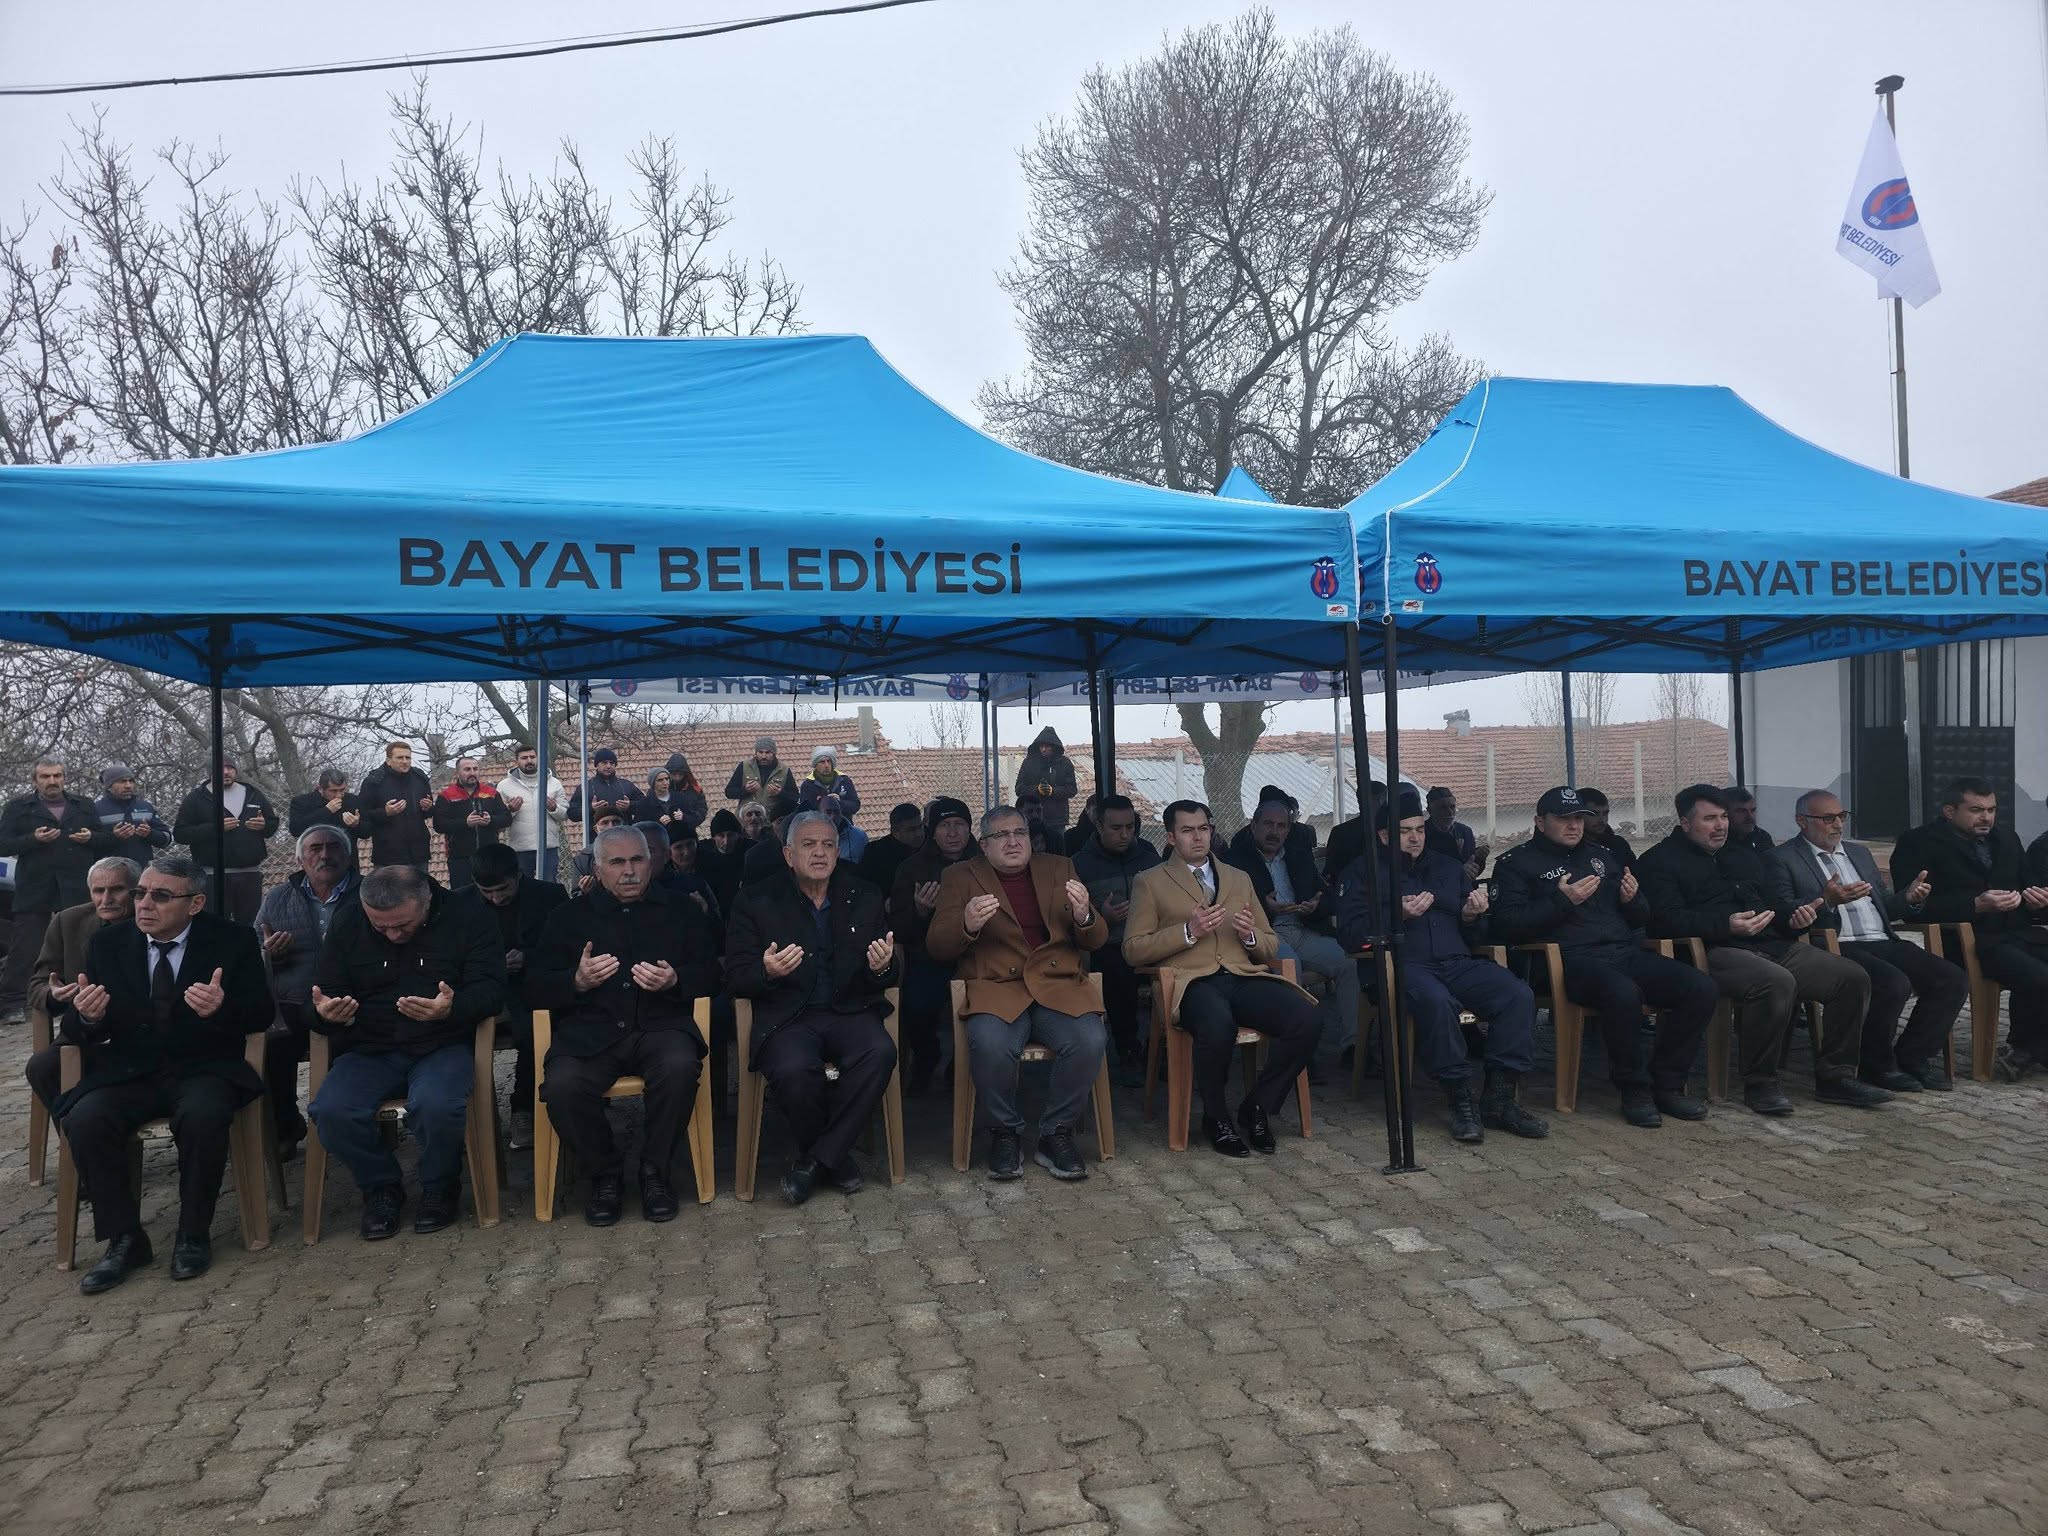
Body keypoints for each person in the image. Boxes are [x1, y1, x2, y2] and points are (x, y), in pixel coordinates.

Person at [56, 854, 270, 1292]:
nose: (144, 904)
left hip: (205, 1067)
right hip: (132, 1071)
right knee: (85, 1118)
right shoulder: (108, 944)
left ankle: (193, 1234)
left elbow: (261, 1015)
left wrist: (222, 1009)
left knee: (203, 1116)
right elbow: (79, 1028)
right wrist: (88, 1017)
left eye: (160, 896)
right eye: (140, 893)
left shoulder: (232, 940)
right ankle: (125, 1239)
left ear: (195, 903)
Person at [1637, 784, 1886, 1115]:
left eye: (1724, 817)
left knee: (1851, 977)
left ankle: (1836, 1076)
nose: (1721, 826)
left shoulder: (1742, 855)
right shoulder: (1659, 861)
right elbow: (1664, 921)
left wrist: (1797, 917)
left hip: (1770, 942)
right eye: (1710, 819)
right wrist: (1726, 924)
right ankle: (1761, 1082)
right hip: (1711, 950)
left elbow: (1773, 906)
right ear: (1685, 823)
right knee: (1774, 981)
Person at [527, 826, 721, 1224]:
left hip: (660, 1026)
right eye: (617, 862)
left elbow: (714, 975)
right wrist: (576, 981)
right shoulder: (567, 918)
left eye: (637, 860)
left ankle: (655, 1171)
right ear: (598, 870)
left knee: (679, 1067)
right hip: (591, 1033)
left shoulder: (682, 910)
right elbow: (534, 986)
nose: (629, 871)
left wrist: (676, 980)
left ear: (651, 863)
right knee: (562, 1086)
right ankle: (604, 1175)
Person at [1491, 787, 1716, 1127]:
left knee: (1700, 987)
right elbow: (1506, 926)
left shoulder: (1603, 856)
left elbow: (1641, 918)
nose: (1574, 826)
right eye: (1563, 819)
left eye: (1579, 818)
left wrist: (1633, 900)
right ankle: (1634, 1089)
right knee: (1622, 992)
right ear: (1539, 822)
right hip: (1565, 962)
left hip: (1621, 952)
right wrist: (1562, 902)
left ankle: (1667, 1084)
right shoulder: (1516, 864)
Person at [1335, 796, 1547, 1144]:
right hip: (1401, 965)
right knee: (1436, 1000)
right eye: (1404, 831)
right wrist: (1396, 917)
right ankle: (1460, 1097)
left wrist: (1472, 916)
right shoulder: (1363, 872)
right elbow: (1348, 936)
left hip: (1456, 962)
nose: (1414, 838)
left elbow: (1477, 935)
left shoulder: (1448, 867)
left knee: (1517, 994)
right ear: (1384, 836)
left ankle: (1499, 1097)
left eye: (1420, 830)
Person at [308, 865, 505, 1239]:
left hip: (442, 1043)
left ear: (427, 899)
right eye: (380, 928)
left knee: (437, 1106)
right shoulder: (348, 920)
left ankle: (439, 1186)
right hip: (370, 1049)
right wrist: (326, 1013)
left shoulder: (469, 916)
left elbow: (493, 991)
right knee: (331, 1112)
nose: (393, 935)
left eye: (402, 925)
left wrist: (452, 1008)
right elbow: (323, 991)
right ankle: (381, 1188)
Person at [1122, 800, 1319, 1158]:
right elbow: (1133, 950)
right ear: (1170, 837)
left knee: (1306, 1017)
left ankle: (1257, 1106)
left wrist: (1250, 936)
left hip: (1241, 975)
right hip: (1190, 981)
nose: (1198, 837)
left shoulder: (1238, 877)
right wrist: (1187, 931)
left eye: (1204, 828)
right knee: (1217, 1024)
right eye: (1187, 830)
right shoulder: (1150, 881)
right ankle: (1216, 1118)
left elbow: (1270, 942)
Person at [726, 810, 899, 1205]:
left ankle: (817, 1161)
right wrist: (766, 971)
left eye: (828, 845)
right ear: (789, 855)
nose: (819, 853)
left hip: (849, 1010)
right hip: (788, 1015)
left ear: (838, 853)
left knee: (880, 1052)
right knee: (793, 1070)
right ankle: (835, 1159)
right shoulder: (756, 900)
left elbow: (890, 971)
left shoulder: (864, 894)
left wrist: (882, 967)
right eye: (808, 845)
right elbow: (735, 976)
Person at [927, 805, 1108, 1180]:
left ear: (1030, 837)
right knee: (990, 1044)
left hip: (1057, 985)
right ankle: (1004, 1132)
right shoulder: (959, 876)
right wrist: (966, 925)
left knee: (1090, 1039)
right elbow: (937, 947)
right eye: (1001, 835)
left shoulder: (1060, 867)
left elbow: (1097, 939)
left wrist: (1084, 917)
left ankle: (1055, 1133)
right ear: (983, 845)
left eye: (1020, 833)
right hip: (996, 987)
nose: (1012, 842)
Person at [1772, 790, 1964, 1093]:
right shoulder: (1783, 858)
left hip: (1882, 939)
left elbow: (1885, 904)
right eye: (1828, 818)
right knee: (1893, 983)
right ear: (1801, 821)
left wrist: (1908, 898)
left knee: (1951, 978)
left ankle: (1912, 1056)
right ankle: (1876, 1065)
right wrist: (1826, 900)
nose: (1838, 824)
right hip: (1835, 943)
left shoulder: (1858, 853)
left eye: (1842, 816)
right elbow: (1784, 911)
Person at [1894, 778, 2048, 1081]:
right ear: (1950, 811)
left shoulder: (2007, 839)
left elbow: (2028, 886)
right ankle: (2025, 1049)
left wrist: (2037, 900)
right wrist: (1974, 904)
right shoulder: (1918, 842)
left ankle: (2027, 1049)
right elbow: (1910, 904)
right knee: (2040, 978)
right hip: (1968, 941)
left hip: (2018, 933)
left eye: (1991, 810)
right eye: (1976, 810)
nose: (1986, 817)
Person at [446, 842, 567, 1151]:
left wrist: (528, 957)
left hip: (533, 986)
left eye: (503, 889)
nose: (496, 898)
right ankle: (461, 1118)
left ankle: (523, 1109)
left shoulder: (549, 895)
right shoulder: (459, 903)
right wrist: (491, 965)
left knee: (535, 1030)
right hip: (482, 988)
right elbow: (451, 957)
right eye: (487, 892)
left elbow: (564, 949)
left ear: (518, 875)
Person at [1226, 797, 1359, 1075]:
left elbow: (1327, 897)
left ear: (1289, 829)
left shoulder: (1299, 855)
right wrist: (1266, 908)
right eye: (1268, 824)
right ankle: (1296, 1051)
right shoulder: (1235, 861)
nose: (1274, 832)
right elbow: (1229, 910)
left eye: (1281, 826)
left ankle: (1354, 1048)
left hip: (1303, 929)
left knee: (1350, 963)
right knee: (1289, 967)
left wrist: (1315, 905)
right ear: (1253, 826)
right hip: (1266, 933)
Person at [253, 827, 362, 1158]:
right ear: (300, 860)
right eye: (315, 849)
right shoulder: (277, 898)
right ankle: (287, 1127)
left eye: (333, 847)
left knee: (355, 1045)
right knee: (272, 1047)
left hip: (354, 996)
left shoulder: (368, 892)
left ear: (349, 856)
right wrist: (270, 953)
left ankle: (358, 1123)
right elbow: (254, 949)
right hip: (294, 998)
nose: (325, 855)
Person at [22, 856, 141, 1114]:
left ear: (135, 891)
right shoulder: (68, 922)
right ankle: (74, 1135)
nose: (106, 899)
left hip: (138, 1032)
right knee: (42, 1067)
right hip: (84, 1034)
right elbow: (37, 985)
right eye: (98, 891)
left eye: (117, 889)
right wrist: (53, 994)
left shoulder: (152, 920)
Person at [0, 757, 109, 1024]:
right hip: (35, 885)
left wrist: (91, 838)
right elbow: (3, 844)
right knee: (25, 945)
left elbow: (104, 840)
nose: (52, 781)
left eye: (57, 776)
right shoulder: (18, 808)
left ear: (64, 778)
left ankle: (84, 995)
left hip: (75, 884)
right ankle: (14, 1002)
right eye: (46, 776)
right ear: (34, 780)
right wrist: (33, 839)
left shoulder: (83, 805)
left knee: (82, 939)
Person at [889, 798, 981, 1094]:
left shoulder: (986, 862)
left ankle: (961, 1065)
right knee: (916, 1005)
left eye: (959, 824)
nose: (952, 833)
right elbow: (897, 928)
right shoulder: (912, 867)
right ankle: (927, 1056)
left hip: (980, 956)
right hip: (929, 957)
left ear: (970, 828)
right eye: (944, 826)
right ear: (932, 830)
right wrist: (919, 911)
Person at [1070, 795, 1161, 1084]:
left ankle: (1162, 1049)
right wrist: (1101, 918)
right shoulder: (1079, 865)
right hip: (1108, 946)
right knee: (1116, 973)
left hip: (1152, 943)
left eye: (1130, 827)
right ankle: (1128, 1049)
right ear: (1099, 827)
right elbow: (1069, 918)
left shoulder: (1150, 859)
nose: (1124, 835)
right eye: (1116, 828)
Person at [169, 758, 278, 926]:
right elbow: (181, 834)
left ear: (236, 771)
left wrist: (264, 825)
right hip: (212, 876)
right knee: (215, 927)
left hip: (250, 874)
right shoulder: (197, 798)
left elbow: (272, 825)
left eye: (230, 768)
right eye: (221, 768)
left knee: (251, 927)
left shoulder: (252, 793)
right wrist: (215, 828)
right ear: (211, 774)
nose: (226, 772)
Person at [431, 757, 510, 890]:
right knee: (462, 895)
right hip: (460, 858)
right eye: (467, 769)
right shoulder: (446, 796)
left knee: (491, 894)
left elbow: (507, 818)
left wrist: (491, 820)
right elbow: (439, 824)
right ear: (457, 773)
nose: (472, 773)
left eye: (475, 769)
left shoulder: (491, 793)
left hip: (489, 856)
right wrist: (465, 823)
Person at [357, 742, 436, 871]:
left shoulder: (420, 778)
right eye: (400, 758)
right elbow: (362, 814)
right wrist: (385, 813)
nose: (405, 761)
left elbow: (429, 812)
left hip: (418, 854)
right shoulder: (374, 782)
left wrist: (428, 808)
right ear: (388, 760)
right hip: (388, 856)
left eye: (408, 757)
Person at [498, 745, 567, 882]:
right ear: (517, 761)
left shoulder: (554, 783)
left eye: (532, 757)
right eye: (524, 758)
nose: (529, 760)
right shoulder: (504, 786)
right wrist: (511, 810)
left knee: (549, 887)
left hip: (548, 847)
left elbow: (565, 815)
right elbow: (499, 820)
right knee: (522, 888)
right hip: (520, 849)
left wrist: (554, 808)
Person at [94, 764, 173, 861]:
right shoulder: (96, 809)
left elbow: (166, 839)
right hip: (109, 868)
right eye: (122, 781)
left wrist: (150, 834)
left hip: (142, 867)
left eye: (131, 781)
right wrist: (113, 837)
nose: (128, 786)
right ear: (109, 786)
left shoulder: (145, 807)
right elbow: (90, 842)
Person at [1013, 727, 1078, 833]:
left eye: (1047, 746)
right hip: (1032, 818)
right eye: (1041, 746)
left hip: (1057, 820)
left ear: (1054, 746)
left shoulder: (1065, 763)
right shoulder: (1028, 763)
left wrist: (1053, 791)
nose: (1043, 749)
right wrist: (1037, 789)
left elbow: (1072, 789)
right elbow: (1019, 789)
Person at [1322, 781, 1387, 884]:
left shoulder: (1341, 831)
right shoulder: (1341, 832)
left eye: (1382, 799)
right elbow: (1332, 871)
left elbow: (1330, 872)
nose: (1380, 804)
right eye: (1375, 800)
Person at [857, 802, 925, 897]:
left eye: (920, 827)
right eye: (911, 830)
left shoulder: (931, 842)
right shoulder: (876, 853)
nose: (919, 833)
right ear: (895, 832)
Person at [566, 746, 645, 826]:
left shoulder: (627, 785)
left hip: (624, 832)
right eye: (604, 762)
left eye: (611, 763)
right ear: (596, 765)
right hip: (595, 833)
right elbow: (572, 814)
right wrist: (591, 808)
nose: (608, 766)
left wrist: (630, 806)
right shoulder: (585, 788)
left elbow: (645, 806)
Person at [726, 736, 798, 819]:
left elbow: (795, 797)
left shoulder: (784, 770)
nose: (764, 756)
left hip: (772, 821)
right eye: (760, 752)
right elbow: (729, 792)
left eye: (768, 752)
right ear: (756, 753)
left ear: (774, 754)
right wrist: (745, 790)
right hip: (747, 821)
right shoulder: (744, 766)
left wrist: (780, 793)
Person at [699, 809, 752, 920]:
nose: (726, 841)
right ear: (714, 837)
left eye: (730, 835)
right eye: (721, 836)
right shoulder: (703, 854)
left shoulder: (751, 852)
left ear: (738, 835)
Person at [288, 768, 365, 843]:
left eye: (342, 790)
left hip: (347, 849)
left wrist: (356, 824)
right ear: (320, 788)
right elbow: (295, 830)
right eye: (333, 791)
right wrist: (326, 811)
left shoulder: (352, 800)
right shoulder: (302, 802)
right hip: (315, 849)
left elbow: (366, 832)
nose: (338, 795)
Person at [1424, 787, 1486, 878]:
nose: (1449, 812)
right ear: (1430, 810)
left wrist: (1479, 857)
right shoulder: (1421, 834)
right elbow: (1423, 871)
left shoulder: (1465, 831)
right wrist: (1458, 869)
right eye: (1443, 808)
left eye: (1452, 807)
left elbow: (1472, 872)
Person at [1577, 788, 1635, 871]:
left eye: (1605, 813)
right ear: (1578, 815)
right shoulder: (1569, 847)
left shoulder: (1619, 845)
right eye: (1594, 814)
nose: (1602, 820)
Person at [797, 746, 861, 819]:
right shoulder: (808, 784)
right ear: (816, 765)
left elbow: (855, 805)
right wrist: (822, 802)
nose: (826, 765)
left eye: (828, 761)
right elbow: (803, 811)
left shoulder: (844, 780)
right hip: (818, 823)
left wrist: (839, 802)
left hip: (843, 823)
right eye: (822, 762)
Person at [1723, 787, 1776, 853]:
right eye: (1742, 811)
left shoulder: (1762, 837)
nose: (1750, 817)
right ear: (1724, 813)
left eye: (1753, 810)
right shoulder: (1718, 841)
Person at [822, 793, 867, 863]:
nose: (833, 816)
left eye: (836, 812)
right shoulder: (808, 839)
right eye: (828, 812)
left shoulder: (859, 837)